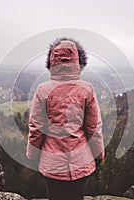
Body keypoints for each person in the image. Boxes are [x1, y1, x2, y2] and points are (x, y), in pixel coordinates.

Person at [26, 38, 104, 200]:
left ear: (51, 62)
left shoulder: (42, 91)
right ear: (78, 62)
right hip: (81, 160)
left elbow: (36, 129)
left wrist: (32, 156)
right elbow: (93, 128)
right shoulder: (87, 89)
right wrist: (98, 155)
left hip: (52, 164)